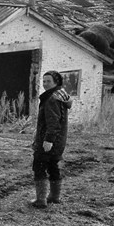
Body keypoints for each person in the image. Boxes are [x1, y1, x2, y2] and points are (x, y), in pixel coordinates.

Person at [31, 70, 72, 208]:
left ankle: (41, 200)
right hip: (59, 141)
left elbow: (53, 122)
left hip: (49, 140)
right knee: (53, 166)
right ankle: (54, 197)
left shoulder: (51, 99)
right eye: (44, 81)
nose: (45, 84)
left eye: (48, 81)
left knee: (39, 166)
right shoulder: (61, 95)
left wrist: (48, 140)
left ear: (56, 82)